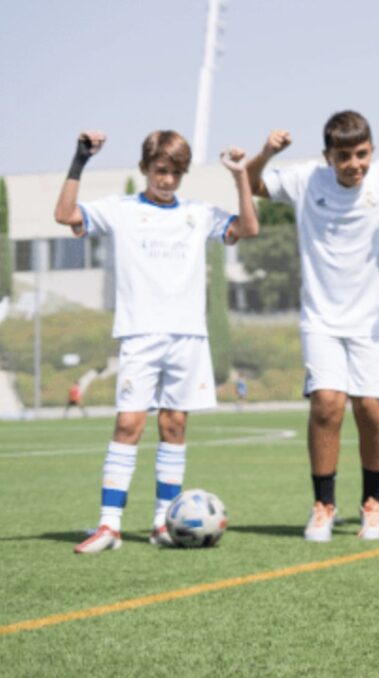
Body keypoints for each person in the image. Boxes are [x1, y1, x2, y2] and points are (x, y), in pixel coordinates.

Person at [246, 111, 379, 542]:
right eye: (344, 156)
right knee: (326, 404)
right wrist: (268, 151)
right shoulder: (307, 178)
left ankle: (373, 504)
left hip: (375, 322)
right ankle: (323, 505)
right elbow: (251, 184)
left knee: (371, 410)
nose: (354, 164)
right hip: (321, 318)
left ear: (372, 151)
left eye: (361, 154)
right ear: (328, 156)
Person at [54, 130, 259, 553]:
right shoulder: (121, 209)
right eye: (161, 171)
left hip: (187, 337)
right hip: (140, 334)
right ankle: (109, 525)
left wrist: (240, 175)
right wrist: (80, 161)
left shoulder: (198, 213)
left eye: (176, 173)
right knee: (129, 424)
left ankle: (163, 524)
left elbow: (249, 228)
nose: (167, 180)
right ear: (145, 168)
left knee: (174, 426)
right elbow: (65, 214)